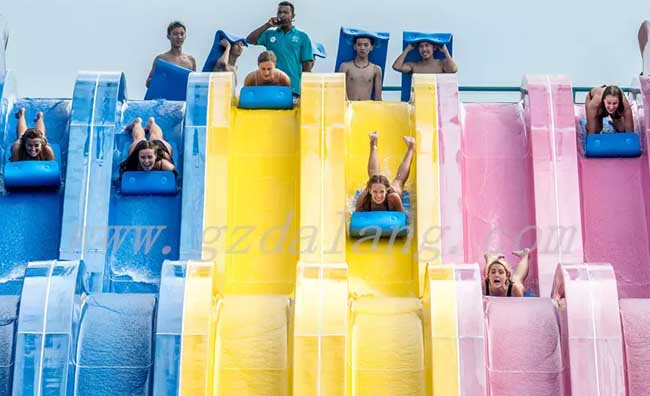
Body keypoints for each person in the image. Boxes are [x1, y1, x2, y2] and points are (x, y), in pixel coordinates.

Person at [245, 1, 313, 97]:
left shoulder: (302, 37)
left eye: (286, 13)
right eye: (279, 12)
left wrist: (306, 90)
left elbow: (307, 66)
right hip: (271, 86)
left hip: (293, 89)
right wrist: (267, 25)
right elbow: (249, 40)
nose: (282, 15)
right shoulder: (269, 34)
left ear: (293, 15)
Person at [355, 132, 415, 212]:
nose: (378, 196)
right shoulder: (363, 198)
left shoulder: (393, 197)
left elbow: (403, 217)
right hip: (372, 191)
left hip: (392, 193)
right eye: (375, 192)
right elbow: (357, 216)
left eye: (382, 191)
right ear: (369, 190)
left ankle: (411, 147)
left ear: (387, 190)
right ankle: (373, 144)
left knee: (399, 181)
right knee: (373, 177)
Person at [146, 21, 197, 88]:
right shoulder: (161, 59)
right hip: (167, 97)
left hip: (183, 97)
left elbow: (195, 84)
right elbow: (148, 83)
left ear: (185, 36)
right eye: (175, 34)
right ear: (168, 36)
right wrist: (161, 79)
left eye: (182, 34)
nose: (179, 37)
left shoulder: (191, 60)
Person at [338, 36, 382, 101]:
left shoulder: (376, 69)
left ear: (371, 47)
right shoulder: (345, 66)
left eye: (366, 45)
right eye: (359, 45)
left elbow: (378, 98)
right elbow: (339, 91)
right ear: (355, 46)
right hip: (349, 106)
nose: (362, 48)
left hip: (366, 107)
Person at [392, 41, 458, 74]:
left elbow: (453, 70)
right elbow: (396, 67)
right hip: (419, 99)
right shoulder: (414, 65)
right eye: (421, 46)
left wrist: (445, 51)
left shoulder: (442, 64)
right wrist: (407, 50)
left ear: (434, 48)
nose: (424, 49)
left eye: (427, 45)